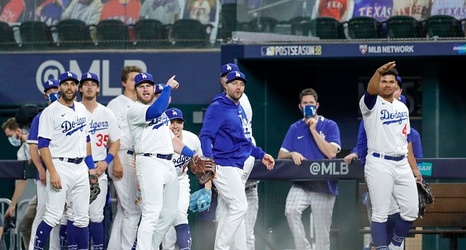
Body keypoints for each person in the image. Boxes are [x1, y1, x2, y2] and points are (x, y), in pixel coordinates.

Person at [199, 70, 275, 250]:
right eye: (234, 83)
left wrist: (261, 154)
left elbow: (243, 141)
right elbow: (205, 136)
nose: (238, 86)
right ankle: (222, 247)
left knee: (229, 211)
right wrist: (210, 162)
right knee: (240, 206)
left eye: (241, 84)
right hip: (223, 165)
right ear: (226, 85)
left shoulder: (238, 108)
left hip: (238, 164)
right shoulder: (217, 107)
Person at [127, 72, 197, 250]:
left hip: (168, 164)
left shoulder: (163, 116)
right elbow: (156, 110)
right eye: (141, 86)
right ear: (135, 91)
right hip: (150, 162)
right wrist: (167, 87)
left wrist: (193, 154)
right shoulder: (135, 110)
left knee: (170, 213)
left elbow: (172, 141)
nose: (145, 89)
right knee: (152, 212)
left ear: (152, 89)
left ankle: (151, 246)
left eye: (148, 85)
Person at [359, 61, 421, 249]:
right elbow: (370, 90)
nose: (387, 84)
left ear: (396, 85)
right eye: (384, 81)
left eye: (391, 81)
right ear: (379, 83)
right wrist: (378, 71)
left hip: (401, 162)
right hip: (379, 162)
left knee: (411, 211)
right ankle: (382, 248)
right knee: (380, 213)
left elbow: (405, 139)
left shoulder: (402, 107)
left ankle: (394, 244)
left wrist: (414, 168)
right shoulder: (370, 103)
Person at [32, 71, 95, 250]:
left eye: (73, 84)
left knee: (82, 218)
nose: (69, 87)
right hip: (60, 165)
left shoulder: (82, 109)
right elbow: (42, 145)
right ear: (59, 87)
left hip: (81, 166)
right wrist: (53, 172)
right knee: (53, 215)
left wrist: (90, 169)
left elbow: (87, 140)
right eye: (65, 84)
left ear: (77, 87)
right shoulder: (50, 112)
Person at [278, 87, 341, 250]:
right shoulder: (295, 127)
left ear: (317, 105)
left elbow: (331, 153)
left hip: (324, 184)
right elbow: (280, 155)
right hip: (302, 183)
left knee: (322, 236)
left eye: (311, 103)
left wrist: (313, 130)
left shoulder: (329, 125)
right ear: (300, 107)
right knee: (290, 211)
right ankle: (303, 247)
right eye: (305, 103)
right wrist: (292, 154)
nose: (308, 106)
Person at [78, 72, 122, 250]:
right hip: (76, 167)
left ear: (98, 88)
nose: (89, 86)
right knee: (74, 215)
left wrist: (107, 161)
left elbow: (116, 140)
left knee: (96, 215)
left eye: (93, 83)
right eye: (86, 83)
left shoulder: (106, 112)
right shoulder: (73, 110)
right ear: (80, 88)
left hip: (98, 167)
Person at [219, 63, 259, 250]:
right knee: (234, 208)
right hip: (242, 155)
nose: (231, 82)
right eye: (227, 77)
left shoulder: (238, 101)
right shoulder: (227, 100)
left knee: (232, 208)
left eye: (236, 80)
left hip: (239, 155)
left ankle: (223, 247)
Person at [106, 65, 143, 250]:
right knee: (133, 210)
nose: (136, 82)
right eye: (132, 79)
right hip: (120, 155)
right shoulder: (116, 104)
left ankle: (115, 247)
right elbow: (110, 135)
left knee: (124, 209)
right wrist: (116, 161)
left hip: (135, 156)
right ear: (124, 83)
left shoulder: (142, 104)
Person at [27, 79, 64, 250]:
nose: (53, 93)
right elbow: (34, 147)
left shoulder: (69, 113)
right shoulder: (40, 117)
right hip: (46, 173)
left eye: (55, 89)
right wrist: (41, 169)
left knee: (60, 216)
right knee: (42, 213)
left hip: (64, 170)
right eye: (49, 91)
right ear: (45, 95)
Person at [161, 107, 202, 250]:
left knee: (180, 215)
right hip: (161, 183)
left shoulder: (192, 139)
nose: (175, 125)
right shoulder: (158, 140)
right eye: (171, 122)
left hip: (180, 179)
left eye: (179, 122)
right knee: (162, 222)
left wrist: (207, 189)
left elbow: (200, 166)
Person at [2, 117, 31, 249]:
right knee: (25, 227)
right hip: (42, 192)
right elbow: (21, 180)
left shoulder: (34, 141)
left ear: (18, 131)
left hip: (53, 187)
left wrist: (12, 205)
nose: (10, 139)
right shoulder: (22, 152)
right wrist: (12, 205)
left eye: (10, 135)